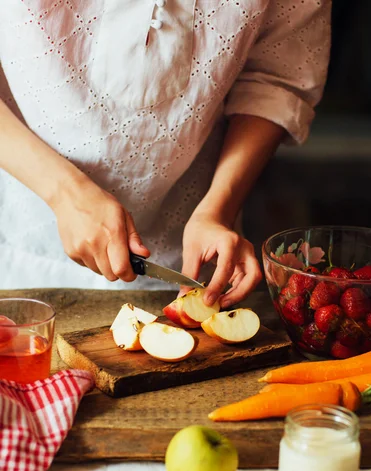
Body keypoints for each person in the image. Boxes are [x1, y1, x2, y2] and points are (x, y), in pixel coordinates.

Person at [0, 0, 331, 308]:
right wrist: (65, 193)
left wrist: (218, 209)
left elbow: (276, 78)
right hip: (22, 248)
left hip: (195, 259)